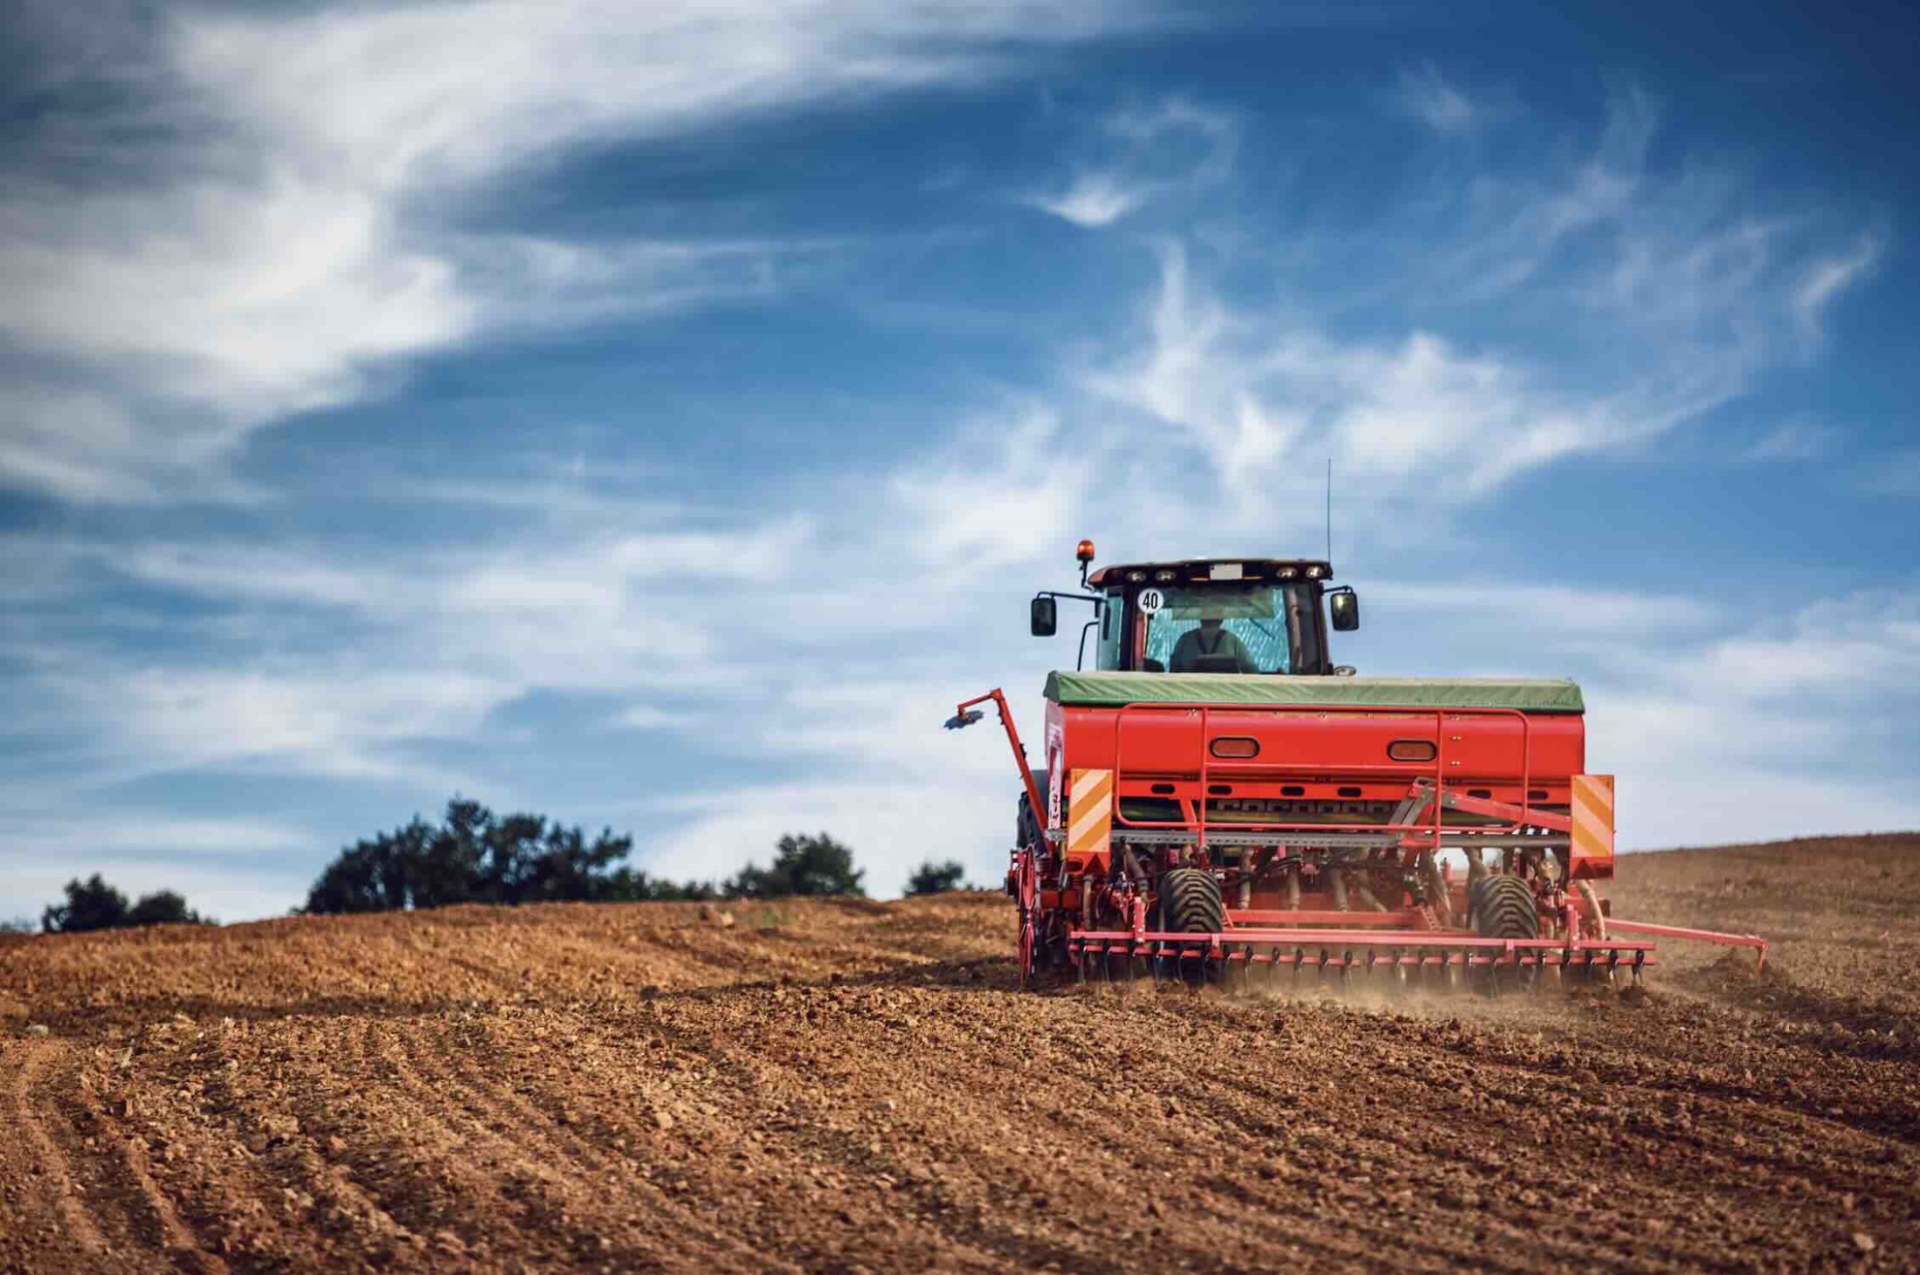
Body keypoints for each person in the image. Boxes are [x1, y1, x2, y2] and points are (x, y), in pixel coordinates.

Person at [1169, 607, 1256, 673]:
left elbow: (1173, 670)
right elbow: (1252, 671)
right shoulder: (1232, 641)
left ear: (1201, 617)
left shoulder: (1185, 640)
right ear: (1221, 619)